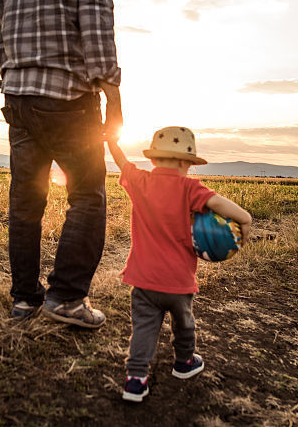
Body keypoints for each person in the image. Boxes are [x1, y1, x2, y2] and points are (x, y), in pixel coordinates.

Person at [0, 0, 122, 328]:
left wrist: (15, 86)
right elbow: (98, 32)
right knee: (87, 195)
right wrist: (114, 102)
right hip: (67, 102)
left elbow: (1, 44)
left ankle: (25, 301)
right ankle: (66, 298)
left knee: (25, 201)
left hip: (19, 101)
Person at [106, 127, 252, 402]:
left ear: (153, 159)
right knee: (184, 324)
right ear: (186, 163)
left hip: (143, 279)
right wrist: (244, 219)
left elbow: (121, 162)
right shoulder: (189, 187)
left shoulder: (141, 182)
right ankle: (184, 362)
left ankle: (135, 380)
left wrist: (112, 142)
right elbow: (218, 203)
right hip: (178, 281)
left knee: (144, 329)